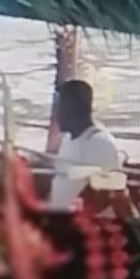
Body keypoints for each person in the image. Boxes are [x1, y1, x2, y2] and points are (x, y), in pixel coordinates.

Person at [48, 79, 125, 209]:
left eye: (60, 107)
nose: (57, 115)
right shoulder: (68, 138)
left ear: (74, 109)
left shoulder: (101, 144)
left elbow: (108, 196)